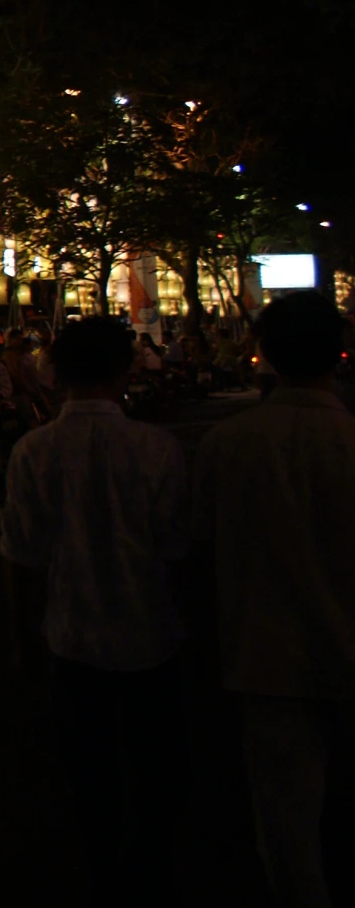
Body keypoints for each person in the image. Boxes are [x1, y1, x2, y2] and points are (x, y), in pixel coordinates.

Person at [0, 316, 189, 908]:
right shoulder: (156, 447)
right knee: (153, 765)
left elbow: (22, 557)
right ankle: (152, 869)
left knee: (89, 768)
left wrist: (22, 636)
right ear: (121, 372)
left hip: (69, 633)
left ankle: (101, 867)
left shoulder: (33, 451)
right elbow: (178, 547)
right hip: (150, 631)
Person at [192, 289, 355, 908]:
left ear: (262, 353)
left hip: (265, 656)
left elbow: (199, 547)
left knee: (287, 827)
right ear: (339, 354)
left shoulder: (230, 444)